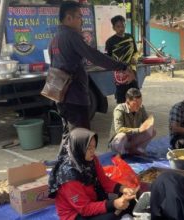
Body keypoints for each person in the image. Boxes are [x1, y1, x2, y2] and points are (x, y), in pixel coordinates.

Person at [49, 1, 135, 130]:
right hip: (75, 97)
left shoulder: (55, 39)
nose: (82, 21)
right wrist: (123, 67)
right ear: (68, 18)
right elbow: (94, 56)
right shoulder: (71, 35)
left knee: (70, 135)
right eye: (79, 16)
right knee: (82, 137)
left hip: (61, 97)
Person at [48, 128, 137, 220]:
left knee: (131, 199)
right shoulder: (69, 176)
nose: (93, 151)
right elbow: (84, 209)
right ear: (78, 147)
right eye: (88, 148)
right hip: (75, 214)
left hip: (92, 199)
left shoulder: (91, 159)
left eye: (94, 147)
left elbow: (104, 181)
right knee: (112, 216)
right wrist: (114, 204)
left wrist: (123, 189)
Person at [109, 88, 155, 155]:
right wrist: (138, 130)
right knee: (122, 136)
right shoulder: (119, 110)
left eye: (140, 103)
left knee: (152, 131)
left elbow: (146, 122)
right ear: (128, 102)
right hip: (120, 140)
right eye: (136, 104)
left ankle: (136, 149)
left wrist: (150, 122)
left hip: (132, 138)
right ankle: (120, 153)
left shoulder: (141, 108)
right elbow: (119, 129)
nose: (139, 106)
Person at [105, 15, 139, 104]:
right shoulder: (110, 41)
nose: (121, 28)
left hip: (132, 73)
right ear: (113, 28)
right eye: (118, 26)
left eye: (123, 26)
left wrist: (135, 58)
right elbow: (109, 60)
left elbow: (136, 52)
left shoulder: (130, 37)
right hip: (120, 75)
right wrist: (120, 69)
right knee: (122, 100)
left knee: (135, 98)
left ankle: (134, 116)